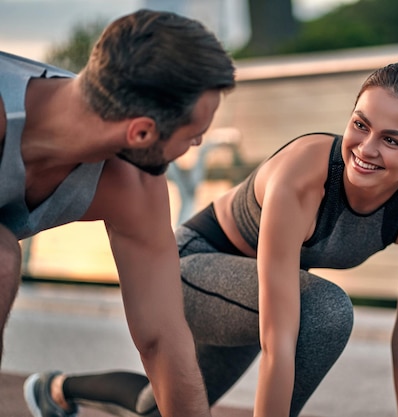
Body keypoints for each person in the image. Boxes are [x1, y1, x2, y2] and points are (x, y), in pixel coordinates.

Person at [23, 61, 398, 417]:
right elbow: (280, 338)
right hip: (189, 270)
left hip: (261, 293)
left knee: (156, 410)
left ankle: (58, 389)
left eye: (391, 140)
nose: (366, 149)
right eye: (360, 125)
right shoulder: (306, 173)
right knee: (325, 311)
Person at [0, 9, 236, 417]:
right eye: (194, 132)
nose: (198, 142)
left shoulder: (133, 184)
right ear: (141, 132)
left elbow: (162, 338)